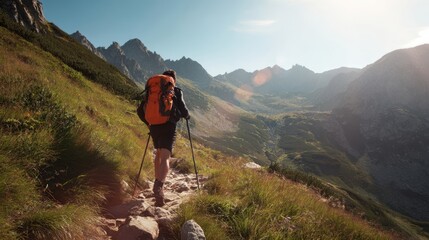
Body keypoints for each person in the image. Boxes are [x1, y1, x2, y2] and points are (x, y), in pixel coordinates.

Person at [150, 69, 190, 206]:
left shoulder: (153, 89)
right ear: (173, 79)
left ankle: (157, 179)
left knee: (158, 153)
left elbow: (141, 109)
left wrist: (149, 123)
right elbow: (183, 109)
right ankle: (159, 185)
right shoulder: (175, 90)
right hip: (168, 125)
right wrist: (187, 115)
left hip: (154, 125)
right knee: (166, 156)